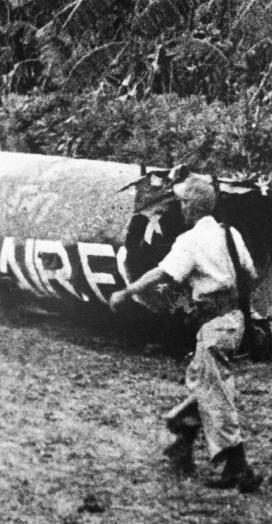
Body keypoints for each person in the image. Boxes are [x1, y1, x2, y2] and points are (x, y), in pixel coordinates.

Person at [110, 176, 263, 492]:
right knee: (205, 383)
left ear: (192, 206)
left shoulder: (191, 241)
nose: (179, 207)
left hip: (213, 323)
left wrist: (126, 292)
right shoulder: (230, 234)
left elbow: (162, 273)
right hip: (234, 321)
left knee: (214, 393)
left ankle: (238, 468)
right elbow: (251, 274)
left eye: (182, 202)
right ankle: (180, 436)